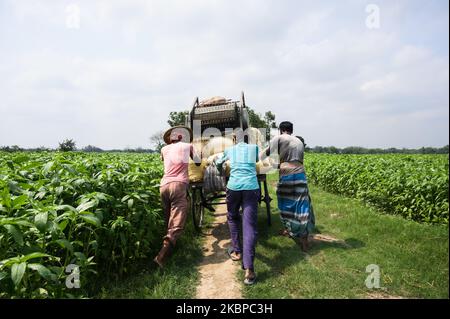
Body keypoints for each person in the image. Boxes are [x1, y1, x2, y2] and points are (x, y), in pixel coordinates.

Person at [261, 121, 315, 252]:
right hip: (301, 175)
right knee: (301, 205)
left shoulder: (279, 138)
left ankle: (290, 229)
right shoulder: (299, 141)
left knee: (285, 204)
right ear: (291, 130)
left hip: (287, 176)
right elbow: (294, 161)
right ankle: (304, 239)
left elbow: (264, 154)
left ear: (281, 130)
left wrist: (258, 160)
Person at [215, 131, 260, 285]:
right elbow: (256, 161)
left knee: (232, 217)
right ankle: (249, 270)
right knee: (249, 226)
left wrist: (221, 171)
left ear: (234, 139)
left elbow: (218, 163)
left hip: (234, 187)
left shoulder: (229, 150)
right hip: (251, 187)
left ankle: (237, 251)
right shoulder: (254, 148)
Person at [154, 126, 200, 268]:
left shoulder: (164, 149)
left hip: (164, 186)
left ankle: (169, 250)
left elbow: (165, 160)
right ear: (182, 138)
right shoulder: (188, 146)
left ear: (170, 139)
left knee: (168, 218)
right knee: (176, 222)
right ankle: (161, 256)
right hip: (179, 185)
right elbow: (198, 161)